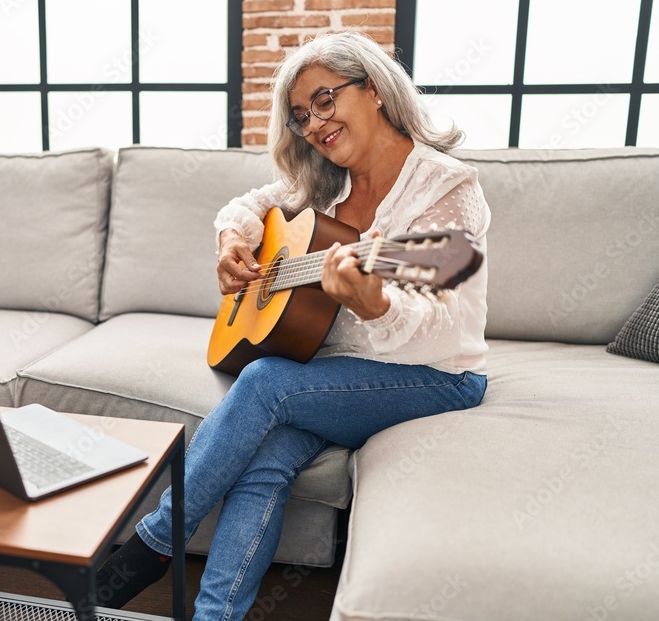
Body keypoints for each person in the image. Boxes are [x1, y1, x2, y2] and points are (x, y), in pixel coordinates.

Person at [95, 30, 490, 620]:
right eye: (301, 115)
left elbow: (442, 324)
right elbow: (246, 207)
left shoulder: (445, 185)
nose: (313, 125)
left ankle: (154, 542)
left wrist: (374, 302)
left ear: (376, 89)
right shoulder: (326, 180)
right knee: (265, 461)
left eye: (325, 101)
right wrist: (234, 240)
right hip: (332, 373)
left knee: (265, 381)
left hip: (434, 375)